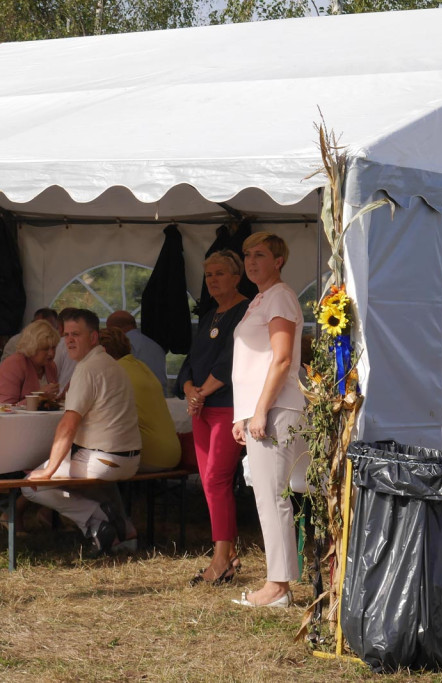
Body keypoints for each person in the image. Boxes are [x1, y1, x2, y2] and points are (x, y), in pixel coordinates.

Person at [22, 309, 141, 556]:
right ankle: (124, 530)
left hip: (104, 461)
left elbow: (68, 425)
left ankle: (98, 520)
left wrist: (48, 471)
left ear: (94, 337)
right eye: (66, 335)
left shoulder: (87, 369)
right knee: (90, 478)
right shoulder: (113, 364)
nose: (69, 340)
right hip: (130, 460)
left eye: (76, 334)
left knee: (31, 485)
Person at [230, 232, 308, 608]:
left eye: (259, 254)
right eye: (247, 254)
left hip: (277, 408)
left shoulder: (279, 296)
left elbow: (281, 358)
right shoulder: (262, 298)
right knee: (268, 494)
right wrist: (243, 413)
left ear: (278, 260)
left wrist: (259, 410)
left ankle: (278, 586)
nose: (251, 260)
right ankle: (278, 582)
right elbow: (253, 362)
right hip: (264, 408)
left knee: (272, 497)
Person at [179, 250, 250, 586]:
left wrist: (201, 393)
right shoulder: (209, 315)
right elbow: (190, 361)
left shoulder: (245, 311)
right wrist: (190, 390)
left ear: (237, 277)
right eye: (209, 275)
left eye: (220, 273)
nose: (213, 280)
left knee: (217, 480)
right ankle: (228, 553)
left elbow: (232, 361)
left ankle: (221, 560)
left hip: (227, 407)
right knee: (209, 482)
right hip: (203, 408)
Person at [99, 328, 179, 473]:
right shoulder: (141, 366)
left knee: (84, 457)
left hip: (148, 456)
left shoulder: (113, 372)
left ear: (102, 351)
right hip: (173, 454)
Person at [0, 319, 60, 405]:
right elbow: (5, 407)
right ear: (32, 347)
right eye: (45, 349)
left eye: (54, 348)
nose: (51, 353)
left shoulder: (51, 366)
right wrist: (39, 397)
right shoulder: (13, 365)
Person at [106, 310, 168, 392]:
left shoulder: (123, 345)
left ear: (114, 328)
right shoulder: (156, 346)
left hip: (137, 395)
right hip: (160, 396)